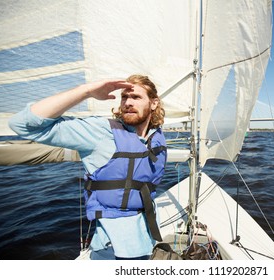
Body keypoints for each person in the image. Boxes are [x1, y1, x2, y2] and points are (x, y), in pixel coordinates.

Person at [9, 75, 167, 260]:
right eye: (124, 97)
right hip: (115, 248)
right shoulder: (100, 132)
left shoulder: (156, 135)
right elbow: (22, 124)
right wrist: (87, 91)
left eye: (136, 97)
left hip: (146, 236)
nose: (128, 103)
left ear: (154, 103)